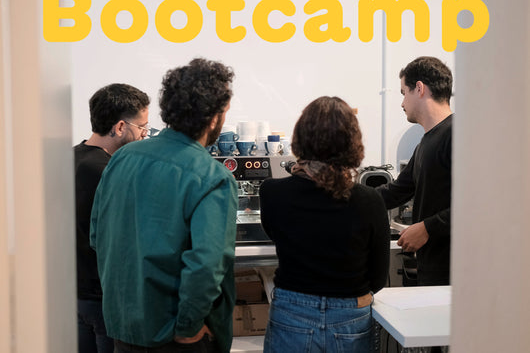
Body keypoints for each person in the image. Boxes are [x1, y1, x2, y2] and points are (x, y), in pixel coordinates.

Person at [90, 58, 237, 353]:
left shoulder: (122, 158)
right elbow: (206, 265)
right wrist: (188, 327)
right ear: (214, 118)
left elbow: (98, 235)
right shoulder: (213, 177)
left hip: (124, 329)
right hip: (176, 337)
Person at [259, 96, 390, 353]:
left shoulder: (272, 192)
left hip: (291, 312)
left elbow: (276, 234)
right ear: (352, 143)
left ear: (300, 138)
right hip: (351, 318)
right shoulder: (370, 200)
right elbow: (377, 277)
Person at [75, 83, 150, 353]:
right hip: (105, 299)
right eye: (142, 127)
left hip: (71, 294)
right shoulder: (111, 172)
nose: (144, 135)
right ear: (119, 127)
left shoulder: (66, 158)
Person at [377, 56, 453, 286]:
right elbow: (395, 192)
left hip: (455, 274)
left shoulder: (457, 134)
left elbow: (477, 203)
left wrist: (428, 228)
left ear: (419, 88)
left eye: (403, 93)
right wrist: (342, 195)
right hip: (431, 268)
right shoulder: (424, 145)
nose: (402, 103)